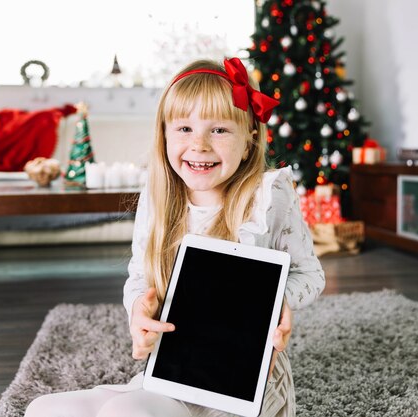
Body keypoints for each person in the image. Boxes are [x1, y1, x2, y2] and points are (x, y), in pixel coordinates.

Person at [24, 57, 325, 417]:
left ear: (248, 141)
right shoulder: (159, 198)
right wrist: (139, 311)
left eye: (219, 130)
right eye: (184, 128)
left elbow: (311, 275)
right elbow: (139, 278)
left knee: (124, 413)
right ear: (164, 135)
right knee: (43, 409)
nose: (199, 144)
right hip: (172, 368)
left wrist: (276, 301)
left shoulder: (267, 196)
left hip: (240, 382)